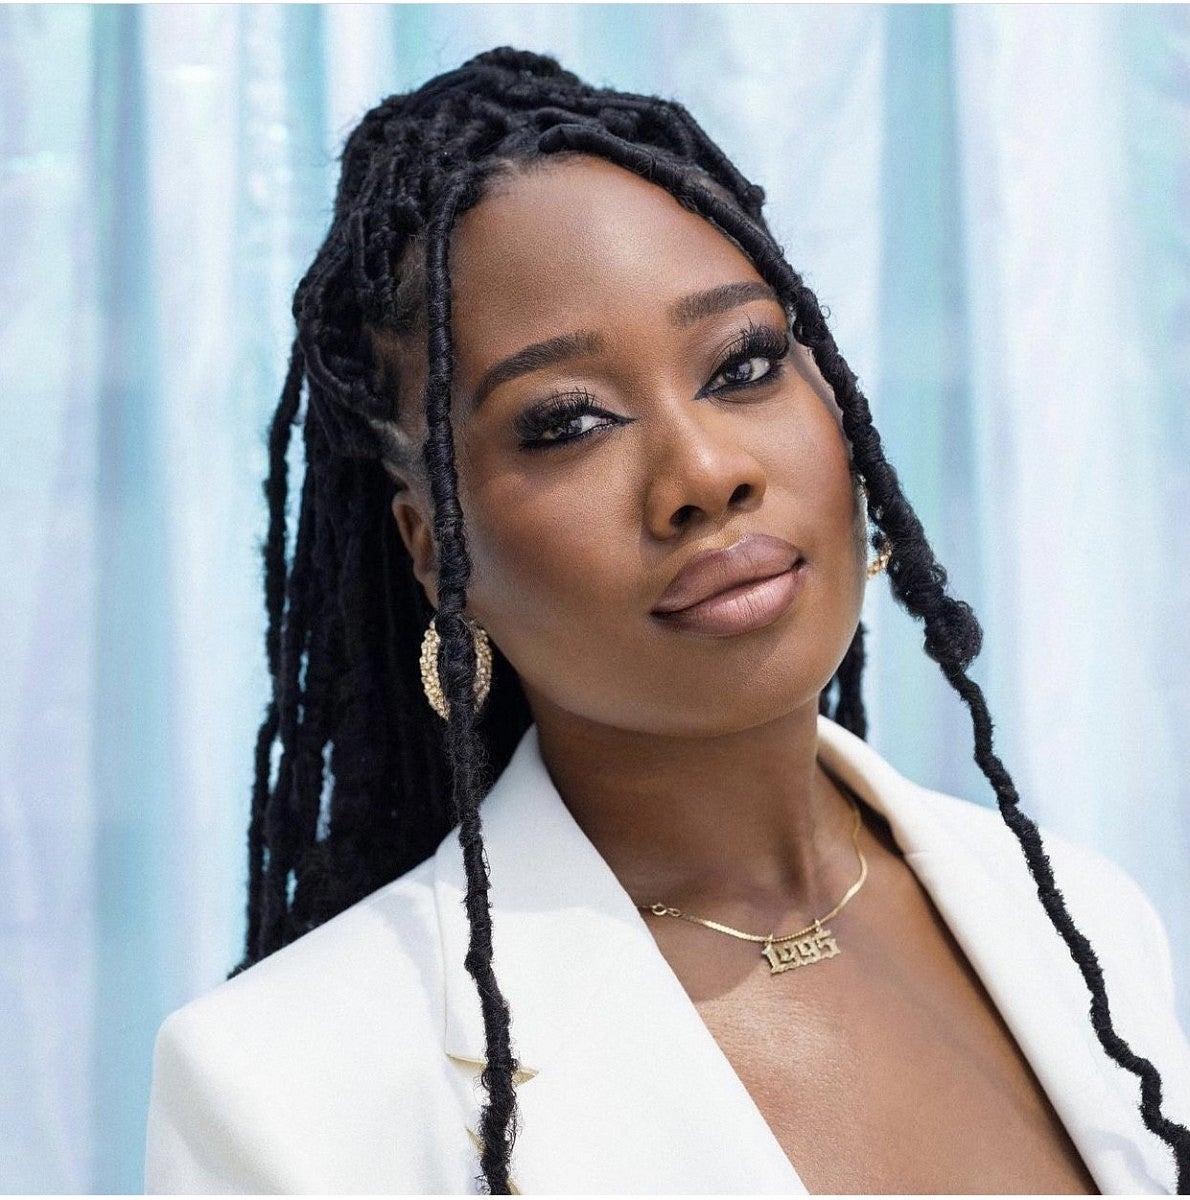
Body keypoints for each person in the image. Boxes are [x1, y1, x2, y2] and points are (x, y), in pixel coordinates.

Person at [144, 48, 1190, 1195]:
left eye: (743, 365)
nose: (703, 472)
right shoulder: (287, 1087)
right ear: (437, 549)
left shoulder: (1084, 922)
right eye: (566, 424)